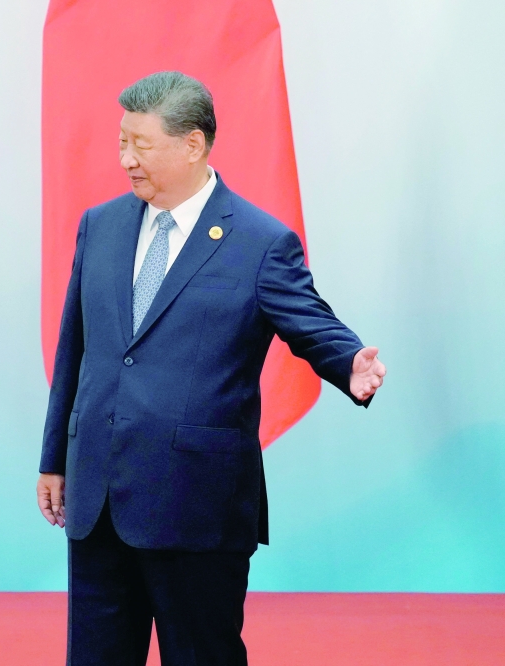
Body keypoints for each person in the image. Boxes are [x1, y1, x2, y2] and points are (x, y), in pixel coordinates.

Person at [36, 72, 386, 665]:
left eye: (139, 145)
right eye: (121, 142)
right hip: (97, 497)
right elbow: (76, 350)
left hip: (195, 501)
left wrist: (346, 360)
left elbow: (309, 319)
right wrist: (54, 459)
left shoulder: (258, 241)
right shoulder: (100, 225)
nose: (124, 160)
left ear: (192, 144)